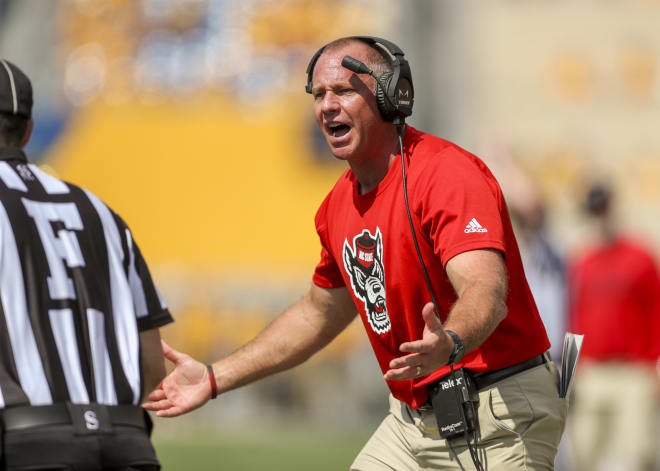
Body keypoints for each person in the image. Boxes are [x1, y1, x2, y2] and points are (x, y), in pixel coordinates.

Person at [144, 36, 567, 470]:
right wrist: (214, 378)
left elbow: (485, 288)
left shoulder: (446, 173)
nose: (327, 105)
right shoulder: (335, 208)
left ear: (391, 97)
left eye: (344, 90)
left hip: (495, 412)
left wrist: (451, 341)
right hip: (411, 423)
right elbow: (316, 314)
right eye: (319, 94)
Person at [0, 59, 173, 470]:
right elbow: (152, 361)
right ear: (27, 130)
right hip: (126, 442)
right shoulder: (100, 211)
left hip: (23, 443)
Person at [568, 183, 660, 471]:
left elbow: (656, 312)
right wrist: (568, 378)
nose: (600, 217)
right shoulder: (581, 262)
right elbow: (572, 320)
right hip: (591, 373)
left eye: (604, 209)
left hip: (633, 373)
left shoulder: (640, 258)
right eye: (594, 212)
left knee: (636, 457)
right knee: (583, 454)